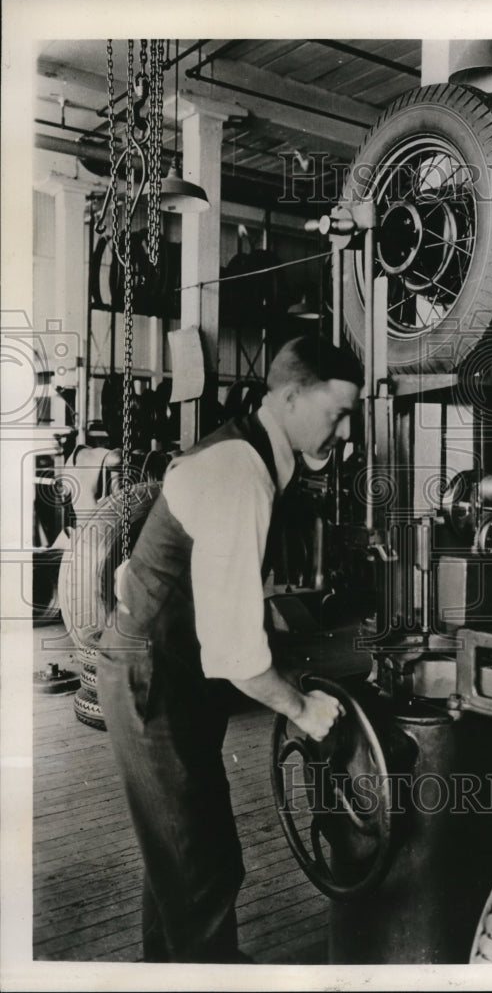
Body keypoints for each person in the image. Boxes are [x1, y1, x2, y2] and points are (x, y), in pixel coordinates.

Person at [96, 336, 363, 963]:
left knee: (186, 856)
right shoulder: (241, 473)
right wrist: (301, 708)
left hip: (165, 666)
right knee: (199, 867)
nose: (345, 432)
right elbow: (233, 654)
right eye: (336, 414)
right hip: (152, 679)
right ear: (292, 398)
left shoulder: (250, 454)